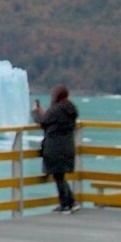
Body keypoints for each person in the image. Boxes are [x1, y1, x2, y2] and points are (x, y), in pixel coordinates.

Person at [33, 85, 79, 213]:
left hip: (55, 147)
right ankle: (68, 202)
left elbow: (42, 121)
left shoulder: (56, 110)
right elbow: (51, 119)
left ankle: (67, 204)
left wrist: (35, 111)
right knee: (61, 176)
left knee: (58, 176)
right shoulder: (70, 109)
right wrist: (45, 112)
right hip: (67, 146)